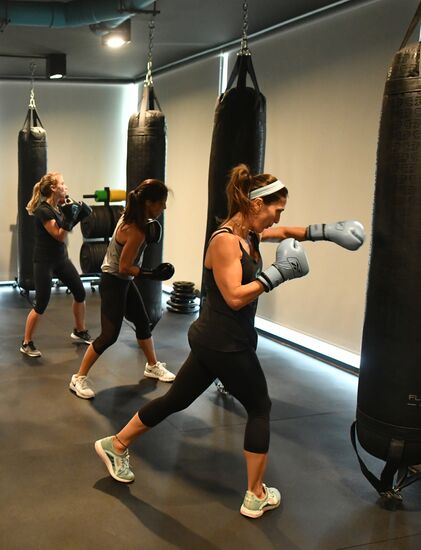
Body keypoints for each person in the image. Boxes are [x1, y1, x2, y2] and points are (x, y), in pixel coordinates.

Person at [94, 164, 365, 519]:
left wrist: (325, 232)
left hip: (216, 339)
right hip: (225, 342)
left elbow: (282, 231)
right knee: (260, 407)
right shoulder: (224, 241)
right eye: (275, 209)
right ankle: (255, 493)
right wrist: (277, 274)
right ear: (256, 205)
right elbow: (235, 296)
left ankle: (116, 444)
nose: (277, 219)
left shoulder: (249, 234)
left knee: (177, 398)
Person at [70, 178, 175, 400]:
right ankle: (78, 377)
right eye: (162, 203)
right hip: (113, 281)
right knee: (109, 336)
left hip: (123, 280)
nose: (164, 207)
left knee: (143, 322)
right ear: (149, 202)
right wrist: (151, 274)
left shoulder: (131, 216)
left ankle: (152, 365)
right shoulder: (136, 230)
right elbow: (125, 266)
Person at [21, 172, 93, 358]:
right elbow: (59, 235)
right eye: (63, 183)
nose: (66, 186)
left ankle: (79, 329)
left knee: (80, 292)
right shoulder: (43, 211)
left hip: (61, 259)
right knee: (42, 303)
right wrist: (72, 219)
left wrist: (77, 216)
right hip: (44, 261)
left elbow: (64, 229)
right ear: (53, 188)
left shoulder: (60, 207)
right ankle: (26, 342)